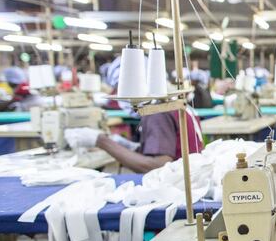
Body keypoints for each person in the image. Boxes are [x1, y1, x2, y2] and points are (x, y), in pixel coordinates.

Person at [65, 60, 204, 173]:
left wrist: (101, 141)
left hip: (177, 188)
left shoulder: (158, 111)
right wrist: (130, 147)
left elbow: (158, 167)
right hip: (192, 178)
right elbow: (174, 147)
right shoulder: (173, 103)